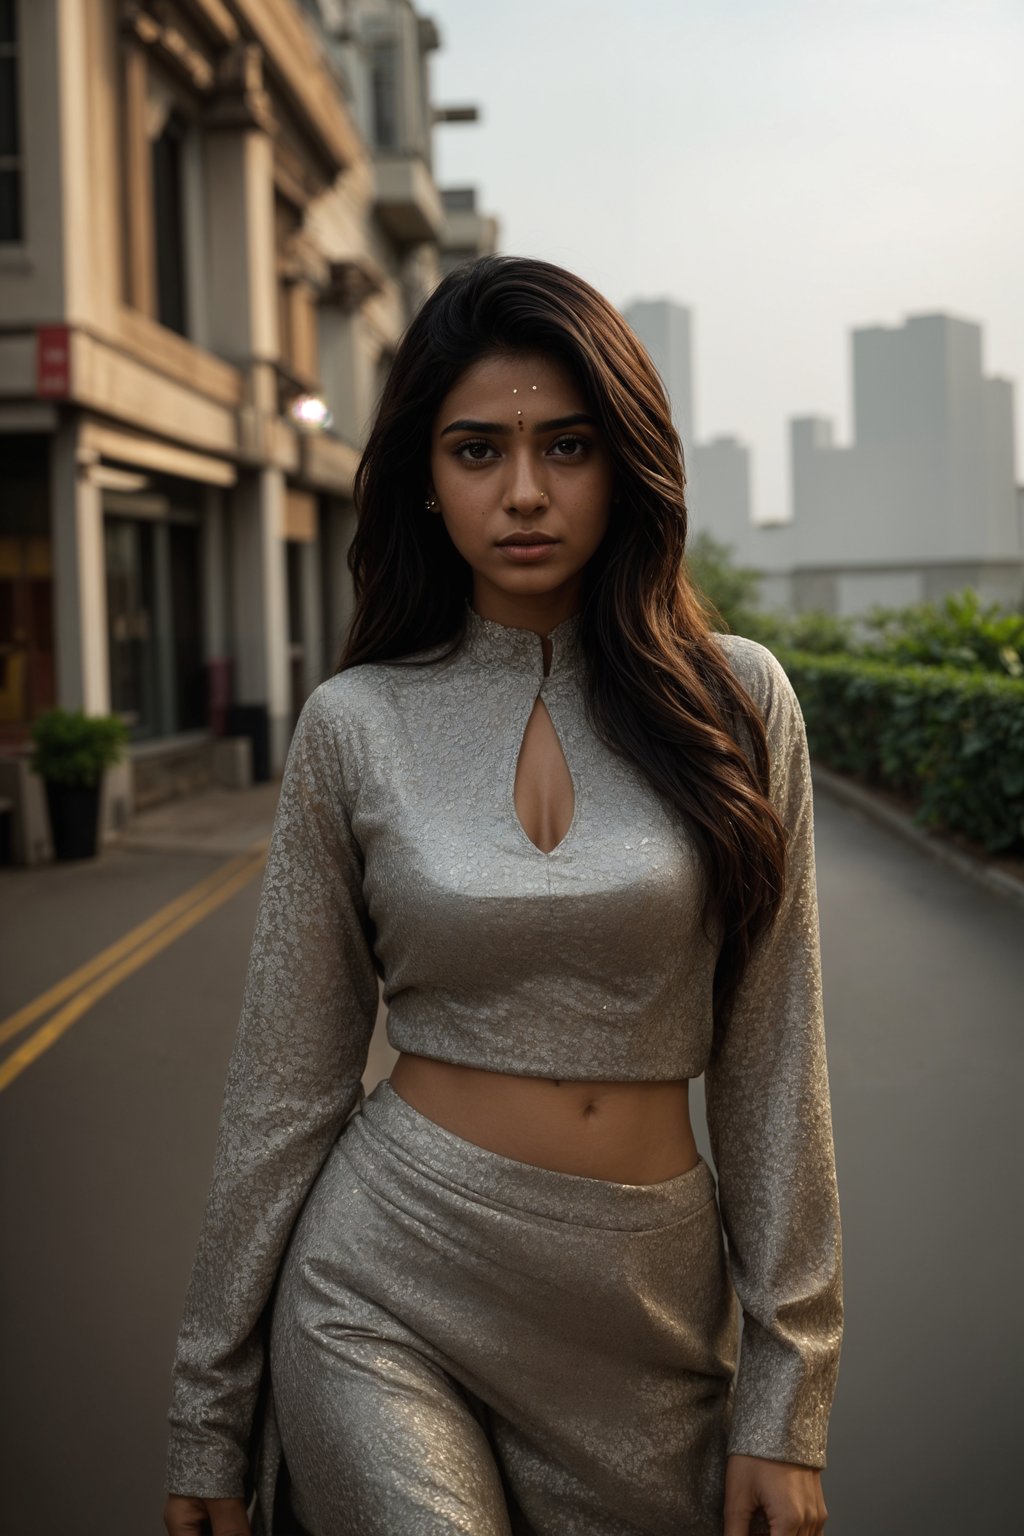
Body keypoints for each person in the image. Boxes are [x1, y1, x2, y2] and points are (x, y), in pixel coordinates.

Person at [163, 254, 843, 1536]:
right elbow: (282, 1089)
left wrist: (787, 1394)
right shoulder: (354, 725)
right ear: (425, 477)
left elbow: (772, 1064)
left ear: (623, 461)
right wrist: (209, 1409)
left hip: (645, 1317)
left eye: (566, 446)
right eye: (477, 450)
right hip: (385, 1286)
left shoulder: (738, 707)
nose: (523, 492)